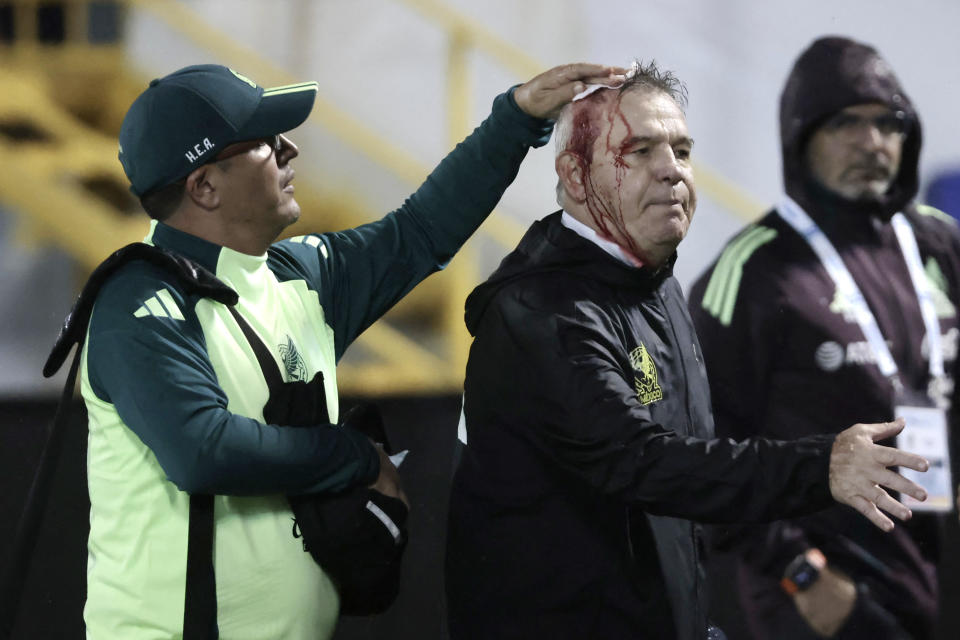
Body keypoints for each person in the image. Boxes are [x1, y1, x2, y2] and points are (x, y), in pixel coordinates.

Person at [74, 61, 623, 639]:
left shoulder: (297, 276)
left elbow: (419, 233)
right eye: (265, 141)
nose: (290, 149)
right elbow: (202, 450)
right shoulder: (138, 301)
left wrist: (515, 118)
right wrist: (355, 458)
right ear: (204, 186)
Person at [444, 60, 931, 640]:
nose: (672, 171)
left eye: (681, 149)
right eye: (640, 151)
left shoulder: (651, 281)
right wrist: (820, 465)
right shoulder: (542, 313)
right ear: (575, 176)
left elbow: (679, 491)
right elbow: (648, 464)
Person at [688, 36, 960, 639]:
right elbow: (703, 452)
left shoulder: (941, 244)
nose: (871, 143)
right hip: (817, 596)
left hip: (935, 572)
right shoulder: (754, 271)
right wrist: (798, 575)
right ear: (801, 137)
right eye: (845, 124)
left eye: (887, 124)